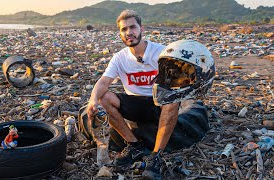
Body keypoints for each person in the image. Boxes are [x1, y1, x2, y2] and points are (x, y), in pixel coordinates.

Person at [85, 9, 215, 180]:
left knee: (172, 99)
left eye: (132, 27)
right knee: (105, 97)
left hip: (159, 104)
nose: (129, 32)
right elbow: (103, 82)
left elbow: (181, 80)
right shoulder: (119, 58)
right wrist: (93, 100)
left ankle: (156, 156)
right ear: (120, 34)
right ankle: (134, 145)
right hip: (136, 104)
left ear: (141, 29)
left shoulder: (162, 53)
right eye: (124, 29)